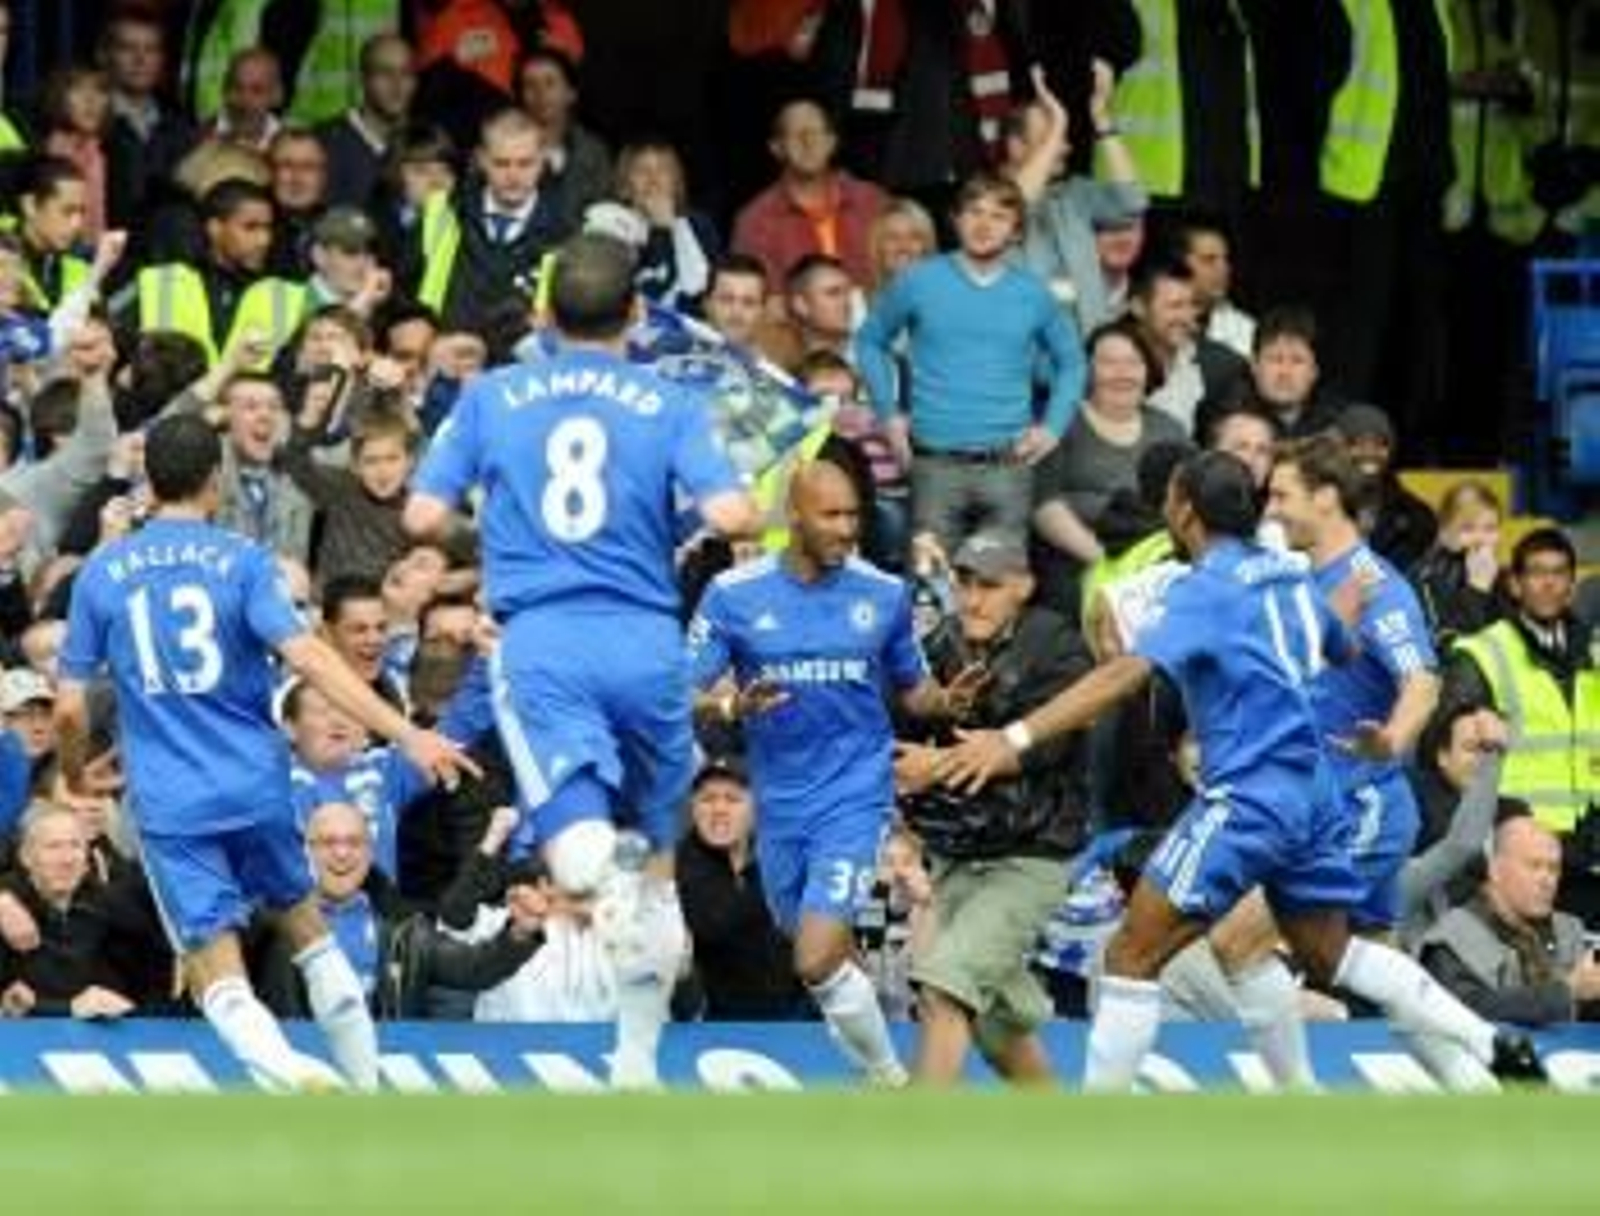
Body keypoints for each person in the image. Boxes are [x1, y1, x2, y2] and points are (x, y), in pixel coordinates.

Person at [939, 450, 1545, 1091]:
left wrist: (1014, 738)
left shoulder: (1209, 588)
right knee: (1324, 953)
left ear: (1183, 509)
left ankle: (1097, 1123)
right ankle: (1485, 1042)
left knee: (1128, 956)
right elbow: (1336, 645)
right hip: (1314, 795)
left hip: (1250, 799)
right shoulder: (1288, 576)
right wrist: (1330, 618)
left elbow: (1125, 674)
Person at [404, 233, 760, 1088]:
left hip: (547, 643)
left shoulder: (494, 395)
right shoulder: (664, 399)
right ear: (636, 314)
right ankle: (636, 1060)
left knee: (579, 853)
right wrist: (669, 524)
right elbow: (737, 512)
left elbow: (419, 516)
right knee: (658, 861)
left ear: (543, 312)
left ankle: (613, 887)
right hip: (648, 641)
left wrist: (494, 529)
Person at [54, 412, 474, 1091]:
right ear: (214, 481)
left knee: (215, 970)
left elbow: (70, 706)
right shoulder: (243, 560)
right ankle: (366, 1088)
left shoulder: (103, 573)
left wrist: (75, 775)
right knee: (309, 930)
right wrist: (408, 733)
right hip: (256, 783)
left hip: (171, 799)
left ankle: (288, 1072)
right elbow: (310, 655)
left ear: (148, 480)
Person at [688, 460, 983, 1086]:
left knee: (816, 956)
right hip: (778, 803)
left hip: (855, 794)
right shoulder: (733, 594)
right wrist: (731, 705)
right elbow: (676, 691)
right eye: (833, 515)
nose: (849, 529)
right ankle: (877, 1077)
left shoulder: (882, 593)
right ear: (795, 515)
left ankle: (889, 1080)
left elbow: (912, 690)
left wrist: (944, 701)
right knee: (823, 961)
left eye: (855, 515)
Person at [894, 531, 1094, 1085]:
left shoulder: (1057, 645)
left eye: (990, 585)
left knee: (945, 984)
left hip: (1029, 856)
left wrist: (931, 766)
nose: (974, 598)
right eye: (963, 583)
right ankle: (1064, 1143)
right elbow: (901, 734)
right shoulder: (941, 643)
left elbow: (1042, 746)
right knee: (997, 1025)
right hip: (955, 857)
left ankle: (909, 1147)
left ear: (1024, 587)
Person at [856, 173, 1086, 554]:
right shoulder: (918, 280)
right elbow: (869, 341)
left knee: (999, 593)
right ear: (956, 219)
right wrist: (889, 416)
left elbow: (1073, 362)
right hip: (934, 463)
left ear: (1016, 231)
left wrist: (1053, 427)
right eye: (974, 211)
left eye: (999, 215)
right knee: (933, 597)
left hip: (1007, 466)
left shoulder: (1032, 292)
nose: (984, 223)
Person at [1444, 527, 1600, 923]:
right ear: (1514, 584)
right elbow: (1450, 740)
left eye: (1560, 572)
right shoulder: (1484, 651)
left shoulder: (1594, 652)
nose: (1548, 583)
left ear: (1572, 582)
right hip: (1519, 840)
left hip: (1590, 841)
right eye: (1536, 573)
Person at [1420, 816, 1600, 1024]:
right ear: (1495, 871)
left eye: (1553, 869)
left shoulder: (1569, 930)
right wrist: (1564, 994)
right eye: (1534, 866)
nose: (1547, 880)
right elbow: (1461, 1011)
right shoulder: (1455, 936)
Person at [675, 756, 807, 1021]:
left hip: (798, 1020)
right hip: (714, 1026)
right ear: (693, 808)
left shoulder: (783, 855)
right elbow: (714, 923)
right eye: (708, 799)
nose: (719, 808)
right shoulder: (678, 863)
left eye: (733, 799)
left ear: (756, 808)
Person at [731, 98, 886, 292]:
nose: (808, 142)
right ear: (776, 148)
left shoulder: (871, 201)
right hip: (796, 322)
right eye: (796, 134)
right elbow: (755, 302)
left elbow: (906, 276)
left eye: (816, 133)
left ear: (832, 142)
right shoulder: (755, 220)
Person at [317, 34, 418, 211]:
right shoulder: (326, 143)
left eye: (406, 73)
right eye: (385, 72)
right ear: (363, 78)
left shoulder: (425, 139)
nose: (397, 84)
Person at [1338, 404, 1438, 573]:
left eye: (1380, 444)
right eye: (1357, 443)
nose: (1369, 453)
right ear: (1338, 449)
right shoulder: (1319, 506)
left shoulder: (1417, 517)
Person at [1410, 479, 1504, 646]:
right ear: (1444, 531)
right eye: (1468, 529)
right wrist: (1477, 590)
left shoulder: (1502, 576)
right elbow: (1446, 645)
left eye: (1490, 529)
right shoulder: (1425, 577)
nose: (1480, 539)